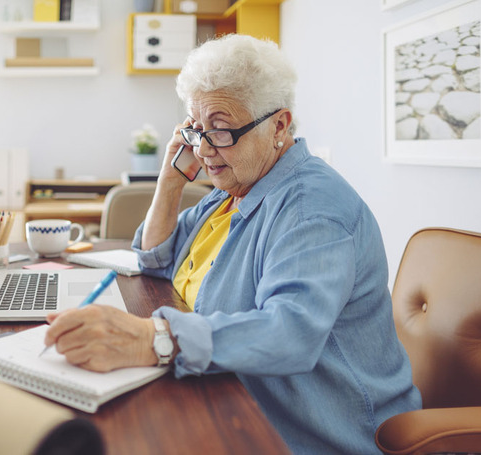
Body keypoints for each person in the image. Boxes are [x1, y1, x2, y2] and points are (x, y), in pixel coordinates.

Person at [45, 34, 421, 453]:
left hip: (312, 432)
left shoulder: (311, 210)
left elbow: (290, 332)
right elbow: (154, 257)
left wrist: (153, 338)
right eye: (195, 129)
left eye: (220, 130)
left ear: (279, 126)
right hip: (232, 397)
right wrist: (169, 182)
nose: (203, 149)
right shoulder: (233, 190)